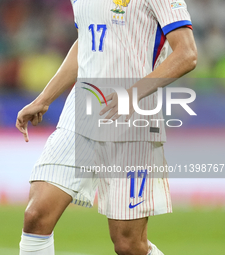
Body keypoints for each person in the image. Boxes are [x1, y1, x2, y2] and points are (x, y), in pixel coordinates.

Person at [16, 0, 197, 254]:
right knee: (36, 216)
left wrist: (131, 94)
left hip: (133, 122)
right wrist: (44, 98)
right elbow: (87, 41)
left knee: (129, 245)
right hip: (79, 116)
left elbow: (187, 54)